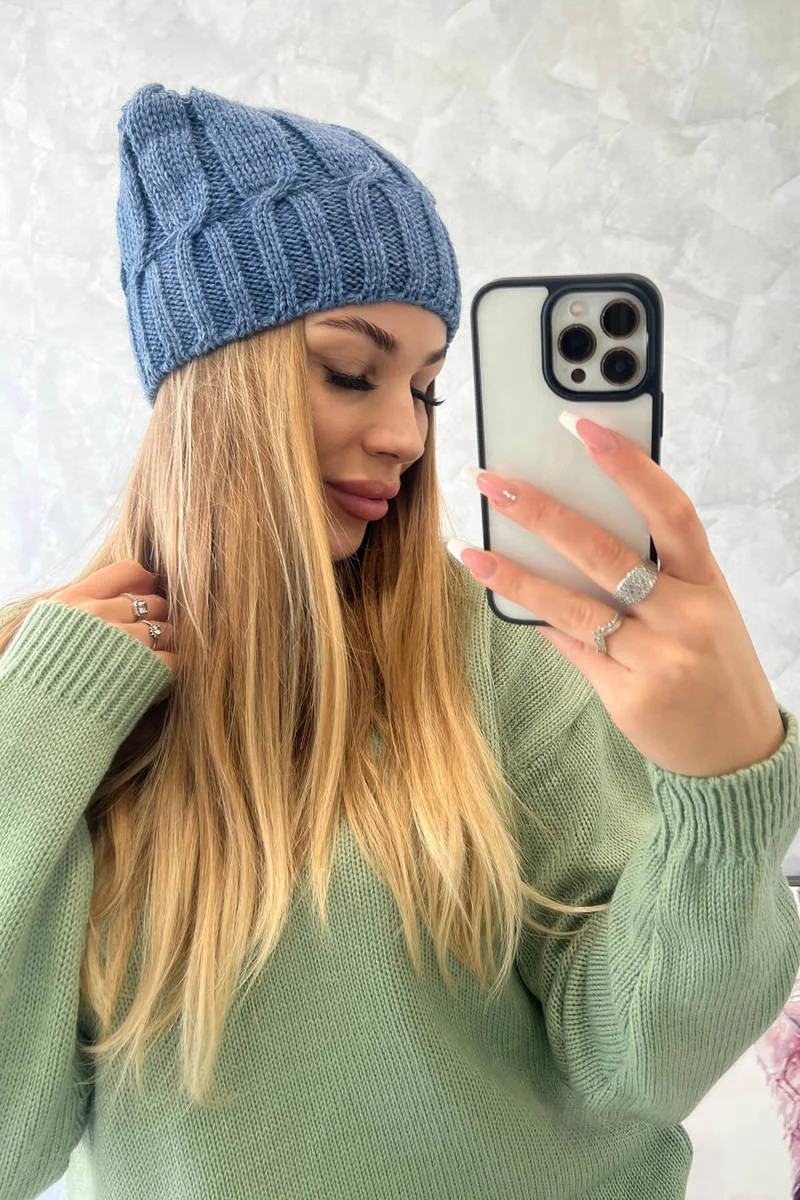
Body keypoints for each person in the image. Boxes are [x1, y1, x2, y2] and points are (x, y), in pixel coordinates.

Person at [0, 82, 798, 1200]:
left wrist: (722, 789)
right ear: (209, 381)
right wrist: (32, 734)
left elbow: (640, 1069)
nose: (406, 436)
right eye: (350, 371)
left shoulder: (490, 649)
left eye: (426, 389)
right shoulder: (52, 695)